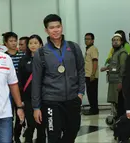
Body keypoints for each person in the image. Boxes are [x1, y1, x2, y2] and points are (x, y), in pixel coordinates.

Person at [32, 14, 85, 143]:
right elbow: (36, 81)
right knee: (53, 136)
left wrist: (80, 93)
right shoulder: (41, 53)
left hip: (72, 99)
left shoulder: (73, 48)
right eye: (52, 28)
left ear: (62, 27)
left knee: (73, 131)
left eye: (58, 26)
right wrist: (36, 107)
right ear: (46, 30)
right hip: (51, 101)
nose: (55, 30)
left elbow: (81, 71)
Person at [18, 34, 45, 143]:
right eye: (30, 43)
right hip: (28, 97)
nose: (33, 45)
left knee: (42, 125)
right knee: (31, 123)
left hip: (43, 96)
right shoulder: (23, 60)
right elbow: (20, 79)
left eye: (36, 43)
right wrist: (21, 99)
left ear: (41, 44)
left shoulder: (45, 59)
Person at [101, 34, 128, 119]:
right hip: (113, 82)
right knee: (115, 103)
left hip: (118, 83)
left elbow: (123, 68)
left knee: (120, 104)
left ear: (122, 42)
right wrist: (107, 67)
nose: (115, 42)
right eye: (114, 40)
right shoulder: (115, 52)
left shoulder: (122, 53)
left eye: (117, 40)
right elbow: (115, 66)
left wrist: (121, 82)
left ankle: (121, 123)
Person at [3, 32, 23, 143]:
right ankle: (8, 137)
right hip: (7, 91)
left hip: (20, 89)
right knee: (9, 115)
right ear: (5, 43)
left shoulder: (22, 55)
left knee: (20, 115)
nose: (13, 43)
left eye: (15, 40)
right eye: (10, 41)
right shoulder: (3, 57)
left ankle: (17, 135)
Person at [83, 33, 99, 115]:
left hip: (91, 76)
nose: (86, 40)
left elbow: (95, 62)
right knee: (90, 93)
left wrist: (93, 74)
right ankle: (92, 108)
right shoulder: (88, 49)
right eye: (85, 39)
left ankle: (94, 110)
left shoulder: (93, 49)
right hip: (87, 75)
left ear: (92, 40)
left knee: (92, 94)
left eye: (88, 39)